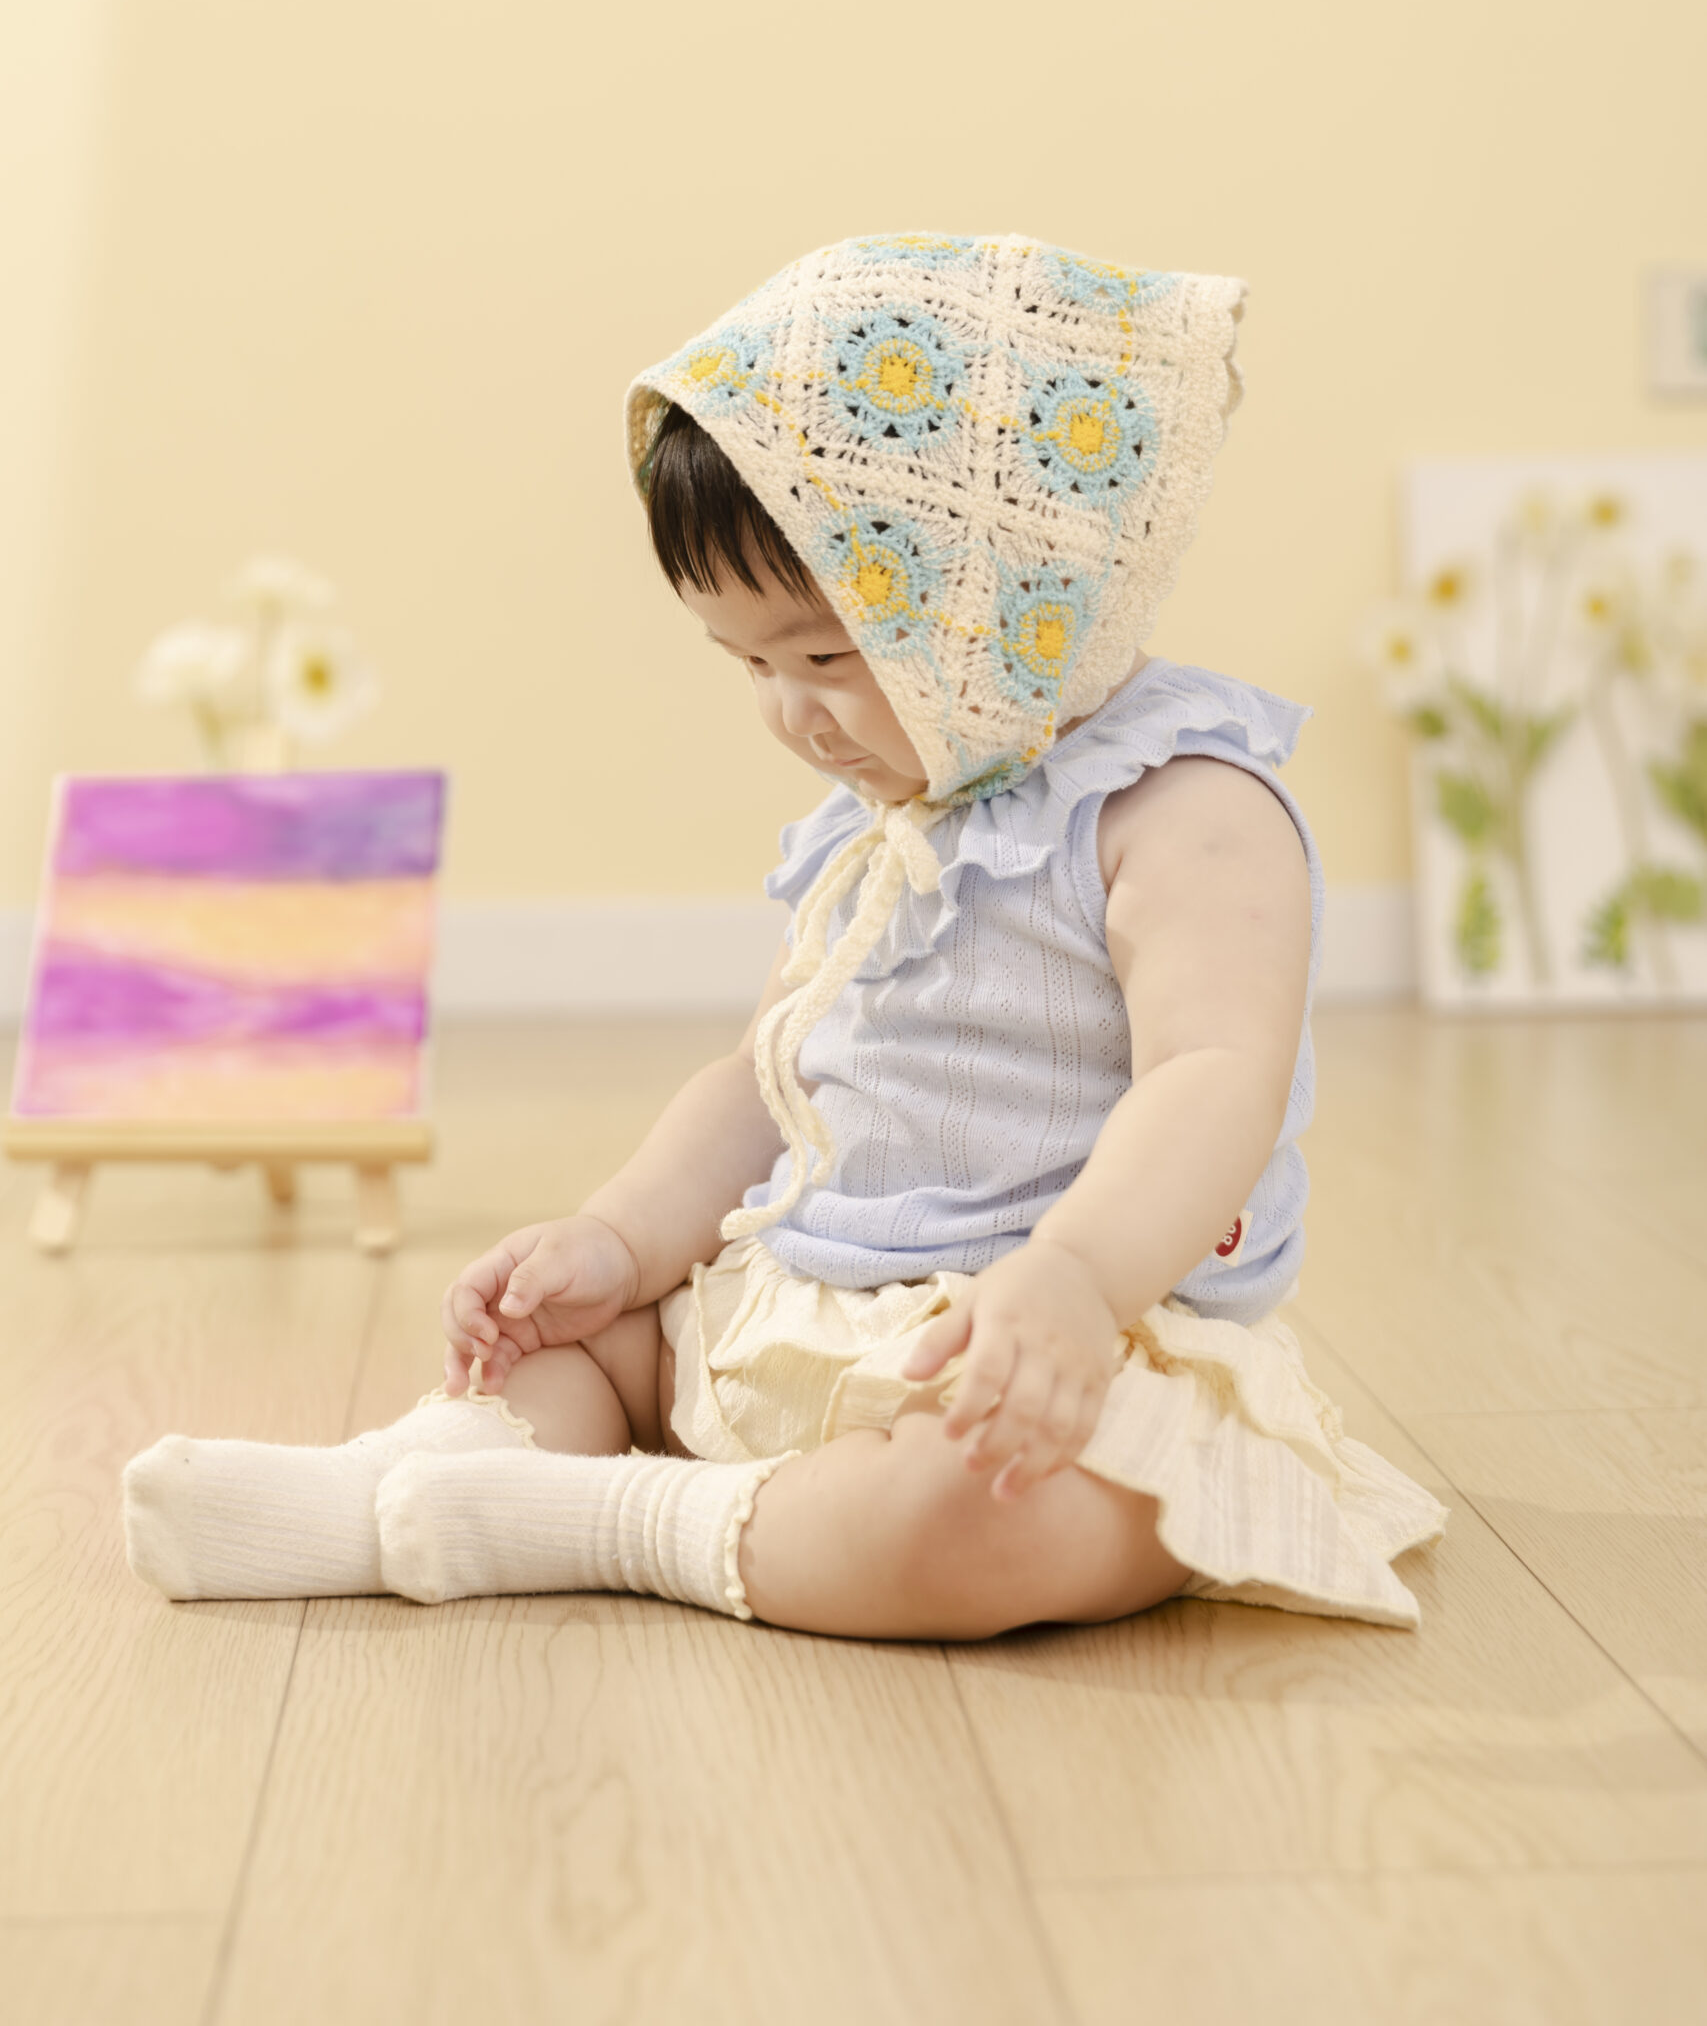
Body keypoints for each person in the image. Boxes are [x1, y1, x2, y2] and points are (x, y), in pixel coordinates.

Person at [124, 232, 1445, 1637]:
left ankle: (603, 1524)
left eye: (823, 656)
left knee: (1000, 1508)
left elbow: (1213, 1081)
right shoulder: (877, 820)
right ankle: (405, 1479)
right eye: (748, 664)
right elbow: (771, 1080)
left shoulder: (1186, 809)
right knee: (579, 1348)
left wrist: (1074, 1280)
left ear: (1008, 594)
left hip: (1054, 1350)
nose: (791, 714)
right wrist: (619, 1240)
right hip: (808, 1309)